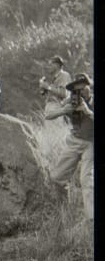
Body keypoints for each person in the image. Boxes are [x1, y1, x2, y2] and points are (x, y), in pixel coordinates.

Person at [45, 73, 93, 221]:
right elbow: (48, 115)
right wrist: (63, 110)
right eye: (77, 90)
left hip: (91, 144)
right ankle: (64, 212)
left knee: (87, 181)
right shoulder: (71, 100)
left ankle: (91, 219)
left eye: (83, 89)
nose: (81, 93)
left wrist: (87, 111)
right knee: (57, 177)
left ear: (89, 88)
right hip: (74, 141)